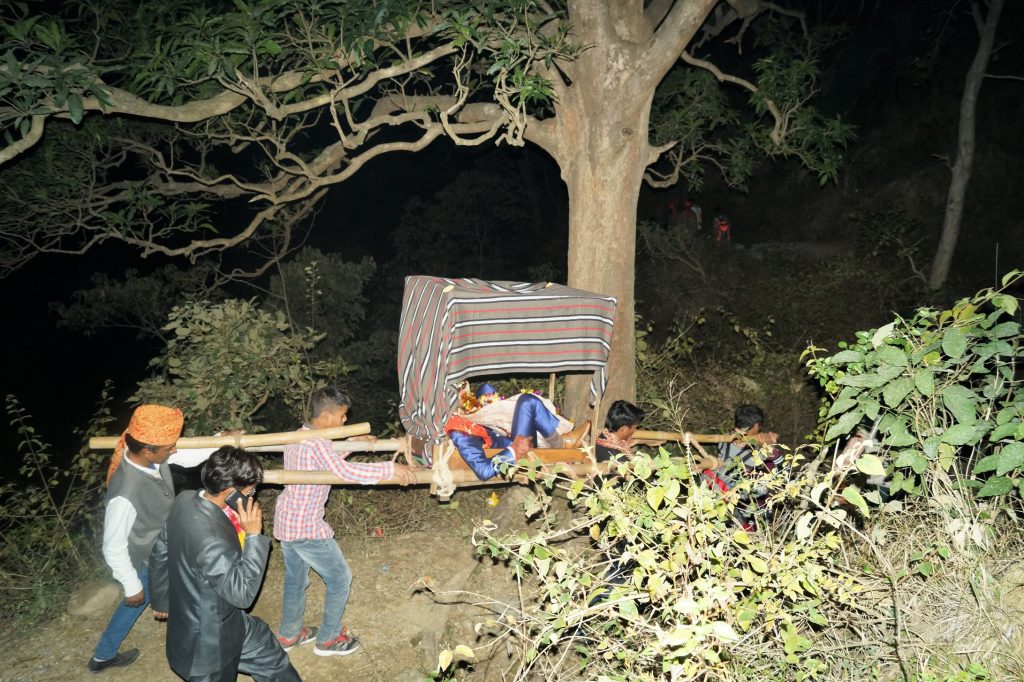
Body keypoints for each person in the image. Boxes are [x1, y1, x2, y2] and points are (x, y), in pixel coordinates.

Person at [274, 387, 416, 657]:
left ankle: (289, 634)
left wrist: (352, 442)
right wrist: (391, 467)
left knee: (295, 581)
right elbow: (343, 472)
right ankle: (328, 639)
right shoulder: (317, 442)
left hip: (287, 521)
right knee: (340, 579)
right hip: (306, 526)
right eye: (342, 416)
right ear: (326, 415)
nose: (344, 421)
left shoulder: (300, 435)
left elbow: (324, 465)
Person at [149, 447, 301, 682]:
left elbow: (160, 550)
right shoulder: (210, 538)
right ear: (230, 492)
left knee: (269, 655)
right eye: (250, 491)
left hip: (230, 620)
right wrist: (253, 537)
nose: (253, 497)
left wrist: (161, 599)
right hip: (210, 643)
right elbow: (242, 595)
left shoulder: (185, 499)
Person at [88, 404, 183, 674]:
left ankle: (102, 656)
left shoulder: (148, 458)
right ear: (148, 450)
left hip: (158, 549)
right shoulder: (125, 494)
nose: (174, 450)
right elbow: (113, 546)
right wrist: (130, 584)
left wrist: (222, 441)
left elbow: (184, 455)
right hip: (146, 557)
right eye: (169, 447)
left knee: (145, 597)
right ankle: (103, 655)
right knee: (139, 596)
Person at [444, 382, 590, 481]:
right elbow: (483, 471)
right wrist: (512, 450)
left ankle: (560, 440)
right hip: (519, 451)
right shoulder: (460, 432)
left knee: (486, 388)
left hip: (513, 439)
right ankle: (561, 443)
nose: (465, 398)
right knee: (528, 402)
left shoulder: (471, 419)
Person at [697, 404, 783, 529]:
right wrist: (772, 448)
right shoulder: (753, 455)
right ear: (756, 426)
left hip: (719, 498)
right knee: (764, 490)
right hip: (738, 507)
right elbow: (781, 475)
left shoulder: (723, 441)